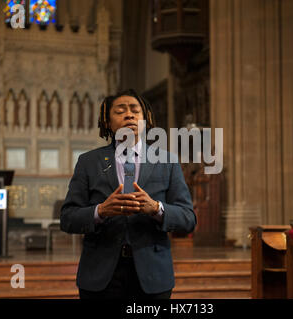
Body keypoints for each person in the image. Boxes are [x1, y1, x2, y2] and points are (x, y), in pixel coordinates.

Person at [60, 89, 196, 299]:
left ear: (146, 119)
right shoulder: (88, 162)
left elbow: (188, 219)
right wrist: (100, 211)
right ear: (107, 122)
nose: (129, 115)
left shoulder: (167, 161)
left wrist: (157, 209)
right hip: (100, 276)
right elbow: (68, 218)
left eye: (135, 110)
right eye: (120, 111)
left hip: (152, 276)